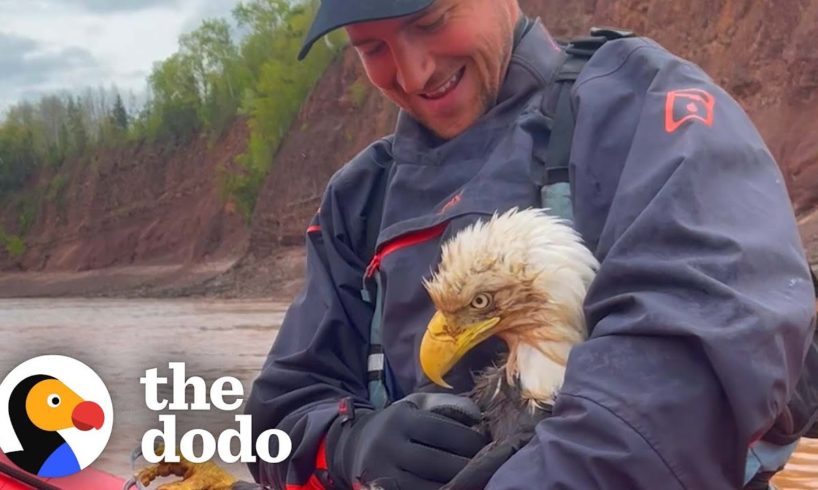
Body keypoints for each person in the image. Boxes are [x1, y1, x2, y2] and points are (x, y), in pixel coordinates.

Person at [246, 0, 817, 488]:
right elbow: (273, 421)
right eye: (371, 48)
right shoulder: (360, 200)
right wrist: (351, 444)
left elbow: (694, 367)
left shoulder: (642, 109)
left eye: (431, 20)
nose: (413, 72)